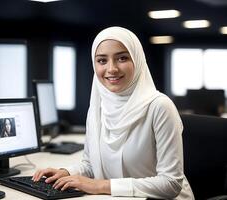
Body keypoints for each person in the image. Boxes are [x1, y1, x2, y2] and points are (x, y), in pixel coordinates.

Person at [32, 26, 195, 199]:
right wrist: (65, 172)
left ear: (137, 59)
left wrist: (101, 185)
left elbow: (171, 183)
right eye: (102, 60)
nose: (112, 69)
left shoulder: (160, 107)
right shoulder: (98, 107)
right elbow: (90, 164)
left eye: (122, 58)